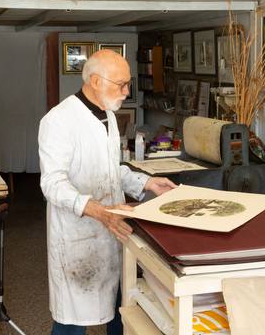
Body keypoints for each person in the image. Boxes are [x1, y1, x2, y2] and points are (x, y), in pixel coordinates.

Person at [39, 50, 176, 335]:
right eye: (121, 84)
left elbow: (111, 170)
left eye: (128, 84)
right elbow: (52, 183)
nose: (126, 92)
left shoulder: (109, 116)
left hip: (112, 233)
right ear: (95, 81)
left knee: (120, 313)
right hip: (78, 240)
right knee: (71, 324)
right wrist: (100, 212)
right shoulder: (59, 120)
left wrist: (146, 183)